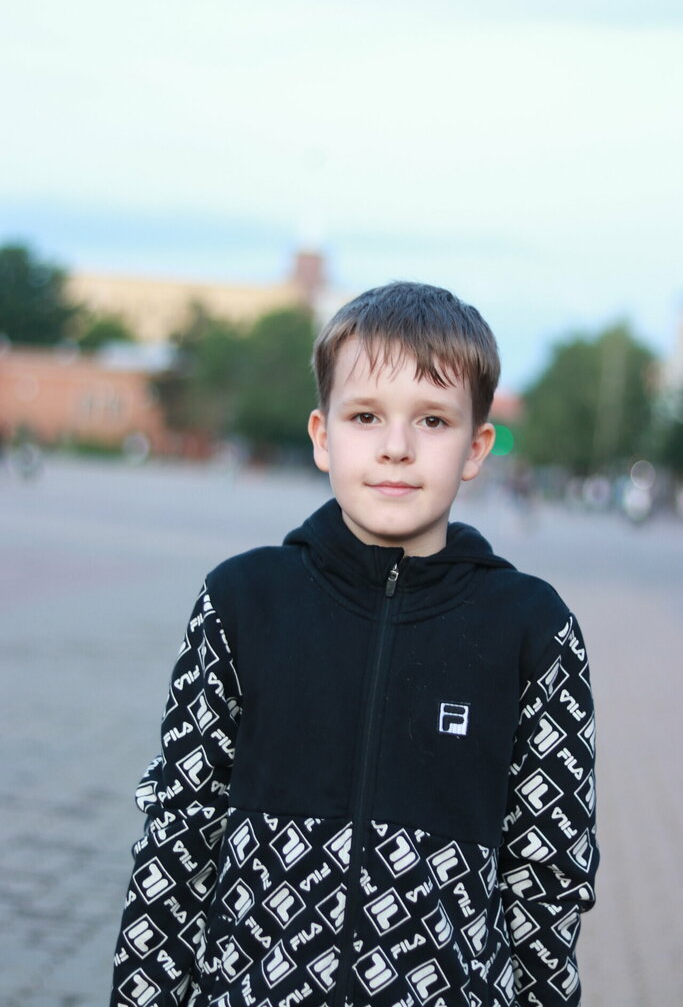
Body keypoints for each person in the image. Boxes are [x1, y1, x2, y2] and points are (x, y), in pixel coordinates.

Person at [111, 282, 598, 1007]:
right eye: (365, 416)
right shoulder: (243, 601)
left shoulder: (531, 630)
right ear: (321, 435)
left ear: (475, 447)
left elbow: (547, 877)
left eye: (432, 421)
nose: (396, 448)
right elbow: (178, 837)